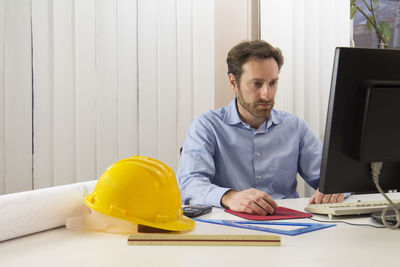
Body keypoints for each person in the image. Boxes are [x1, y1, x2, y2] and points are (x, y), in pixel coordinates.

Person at [177, 40, 344, 215]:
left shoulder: (295, 127)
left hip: (289, 223)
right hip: (229, 226)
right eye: (256, 84)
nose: (267, 94)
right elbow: (189, 184)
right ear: (233, 83)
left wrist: (335, 189)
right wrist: (230, 197)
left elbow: (332, 180)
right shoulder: (207, 126)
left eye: (272, 83)